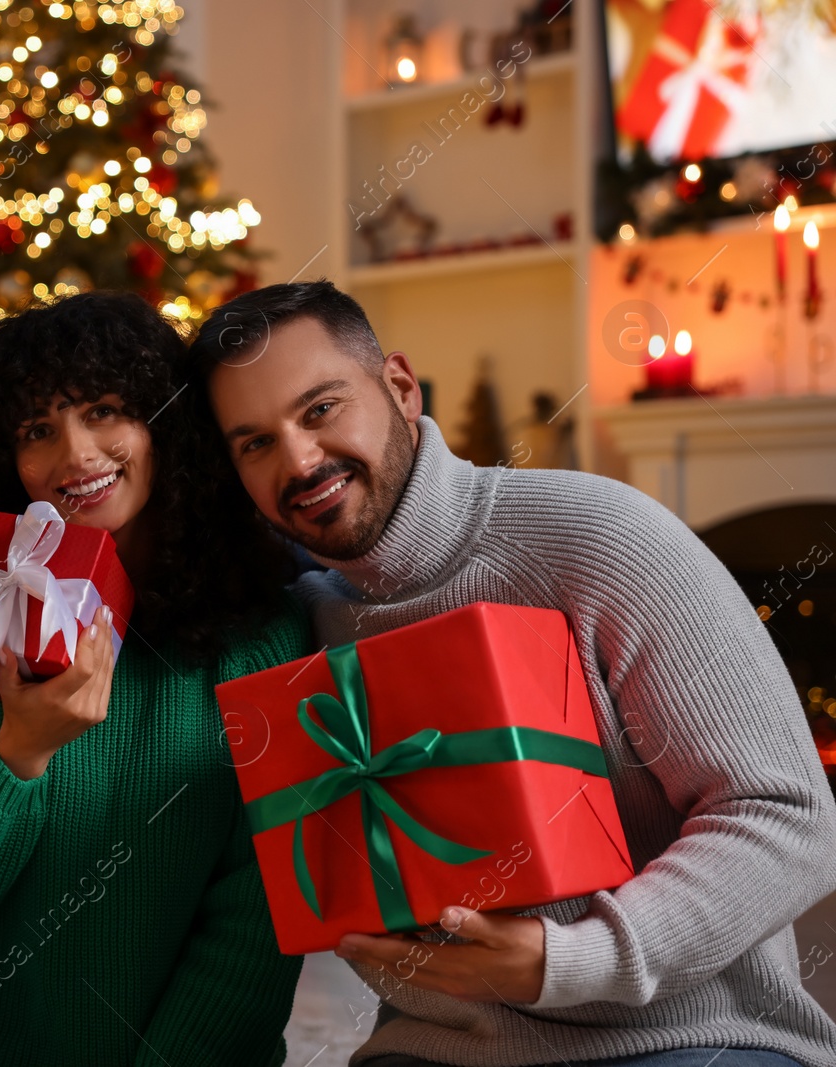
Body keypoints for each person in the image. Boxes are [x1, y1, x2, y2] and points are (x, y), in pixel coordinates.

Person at [192, 279, 836, 1067]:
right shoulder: (296, 628)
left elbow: (789, 815)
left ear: (399, 386)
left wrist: (568, 960)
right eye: (255, 442)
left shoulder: (602, 537)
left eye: (321, 408)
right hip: (430, 1048)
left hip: (685, 1036)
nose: (299, 459)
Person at [0, 290, 308, 1066]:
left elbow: (256, 934)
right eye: (37, 430)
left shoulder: (265, 637)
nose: (75, 454)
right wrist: (16, 759)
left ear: (163, 420)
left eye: (104, 410)